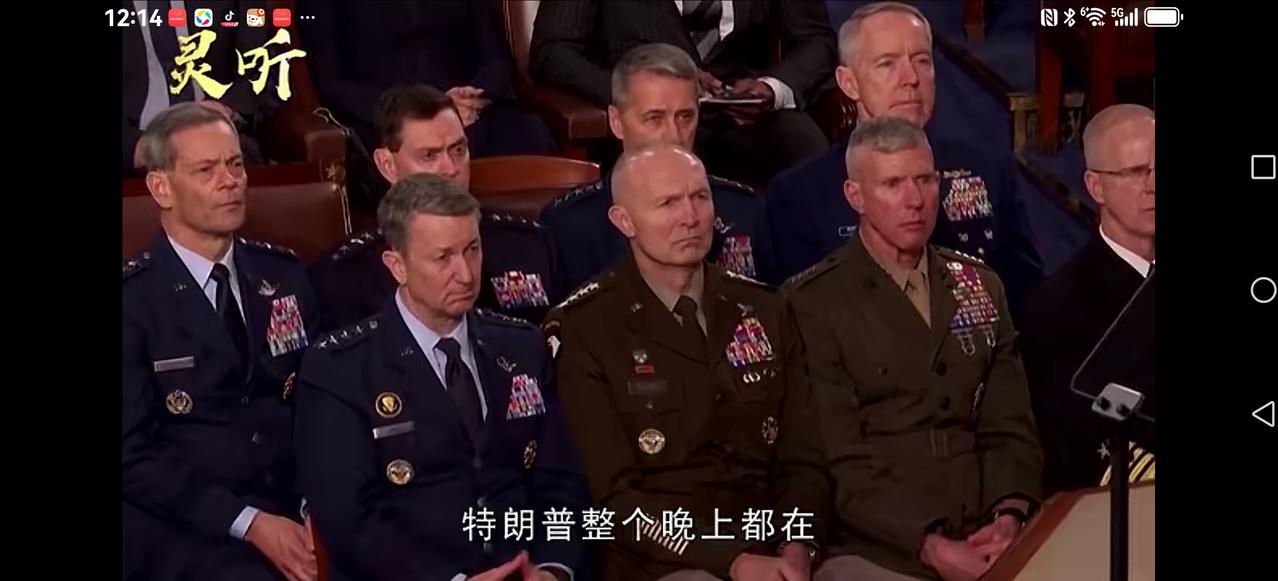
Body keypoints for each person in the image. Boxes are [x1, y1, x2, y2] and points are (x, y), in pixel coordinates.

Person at [545, 142, 829, 581]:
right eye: (667, 203)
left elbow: (803, 458)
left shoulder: (765, 308)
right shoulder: (585, 326)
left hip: (772, 546)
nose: (690, 217)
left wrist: (798, 549)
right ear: (624, 221)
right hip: (661, 562)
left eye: (699, 197)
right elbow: (616, 501)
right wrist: (733, 561)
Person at [295, 173, 587, 581]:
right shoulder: (339, 369)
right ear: (397, 266)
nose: (465, 274)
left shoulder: (522, 346)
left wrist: (554, 569)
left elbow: (562, 483)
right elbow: (352, 522)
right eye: (443, 258)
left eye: (472, 250)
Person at [785, 118, 1041, 581]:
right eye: (892, 184)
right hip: (878, 546)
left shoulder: (981, 286)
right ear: (855, 196)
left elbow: (1009, 425)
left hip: (986, 530)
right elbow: (839, 457)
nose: (915, 200)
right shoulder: (812, 303)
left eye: (925, 179)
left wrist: (1009, 516)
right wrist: (930, 546)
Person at [123, 103, 320, 581]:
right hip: (190, 524)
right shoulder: (133, 301)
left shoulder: (284, 275)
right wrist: (249, 523)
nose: (230, 181)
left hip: (296, 506)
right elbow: (132, 455)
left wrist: (317, 505)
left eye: (235, 164)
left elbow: (322, 404)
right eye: (206, 170)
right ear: (161, 187)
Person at [766, 2, 1041, 315]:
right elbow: (803, 320)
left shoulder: (989, 170)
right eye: (887, 64)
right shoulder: (799, 194)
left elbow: (1027, 301)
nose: (911, 78)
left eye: (922, 61)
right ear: (848, 82)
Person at [310, 84, 564, 330]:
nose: (450, 169)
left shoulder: (529, 245)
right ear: (387, 164)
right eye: (429, 156)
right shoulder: (345, 277)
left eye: (458, 150)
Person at [540, 43, 777, 291]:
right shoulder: (569, 226)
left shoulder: (744, 212)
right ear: (616, 121)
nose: (673, 135)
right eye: (654, 118)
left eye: (685, 117)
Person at [530, 0, 835, 185]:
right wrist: (639, 90)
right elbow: (552, 52)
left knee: (810, 152)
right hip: (650, 115)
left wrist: (772, 88)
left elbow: (814, 39)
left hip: (742, 110)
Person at [1020, 104, 1156, 495]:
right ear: (1095, 187)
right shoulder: (1057, 308)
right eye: (1135, 172)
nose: (1153, 185)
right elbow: (1078, 441)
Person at [301, 0, 556, 158]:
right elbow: (330, 83)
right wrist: (411, 109)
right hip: (385, 115)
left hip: (467, 110)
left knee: (529, 131)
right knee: (421, 151)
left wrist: (473, 94)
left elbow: (496, 58)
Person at [122, 1, 278, 175]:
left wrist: (225, 109)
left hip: (221, 137)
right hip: (136, 151)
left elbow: (265, 66)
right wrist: (138, 147)